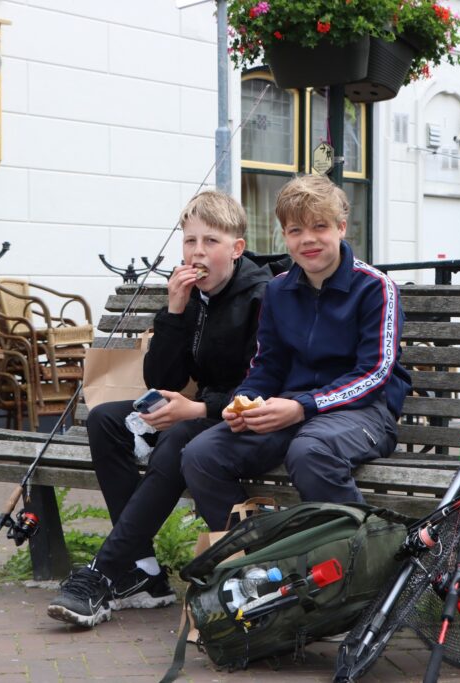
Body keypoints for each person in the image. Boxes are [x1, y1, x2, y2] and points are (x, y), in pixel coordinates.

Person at [47, 190, 271, 627]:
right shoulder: (192, 294)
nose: (197, 252)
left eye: (210, 241)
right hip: (198, 407)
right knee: (106, 421)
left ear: (236, 248)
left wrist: (197, 409)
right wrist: (174, 309)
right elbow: (161, 380)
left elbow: (264, 386)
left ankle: (106, 569)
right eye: (190, 241)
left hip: (241, 415)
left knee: (177, 444)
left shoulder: (262, 297)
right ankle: (145, 571)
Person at [179, 174, 412, 531]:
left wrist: (302, 407)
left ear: (341, 228)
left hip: (364, 413)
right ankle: (258, 560)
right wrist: (243, 402)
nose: (308, 240)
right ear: (284, 236)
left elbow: (375, 373)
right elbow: (267, 364)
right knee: (201, 454)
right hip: (293, 408)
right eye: (295, 230)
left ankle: (365, 556)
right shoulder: (277, 290)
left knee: (309, 452)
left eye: (319, 226)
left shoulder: (375, 287)